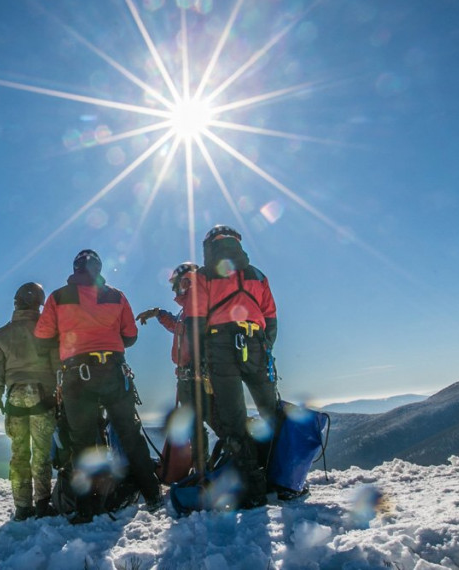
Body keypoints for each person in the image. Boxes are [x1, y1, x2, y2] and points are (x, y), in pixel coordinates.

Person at [35, 249, 163, 524]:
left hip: (76, 375)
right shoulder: (116, 295)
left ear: (76, 267)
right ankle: (153, 494)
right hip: (113, 372)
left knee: (81, 443)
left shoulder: (58, 297)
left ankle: (85, 508)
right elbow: (130, 336)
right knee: (129, 434)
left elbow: (42, 336)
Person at [185, 225, 278, 508]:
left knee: (233, 420)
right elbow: (271, 317)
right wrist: (265, 347)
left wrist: (201, 358)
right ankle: (282, 475)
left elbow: (195, 320)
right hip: (255, 342)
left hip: (220, 345)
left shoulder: (202, 276)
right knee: (270, 411)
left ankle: (253, 490)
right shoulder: (257, 275)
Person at [0, 281, 58, 521]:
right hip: (43, 396)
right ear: (39, 304)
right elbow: (57, 366)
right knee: (41, 454)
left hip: (15, 397)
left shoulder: (0, 336)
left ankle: (22, 507)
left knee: (19, 454)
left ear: (16, 302)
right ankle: (42, 504)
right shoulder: (48, 332)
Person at [136, 261, 213, 467]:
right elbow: (179, 329)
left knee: (203, 423)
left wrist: (200, 364)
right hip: (189, 376)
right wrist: (158, 313)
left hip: (197, 376)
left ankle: (205, 471)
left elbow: (199, 335)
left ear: (185, 281)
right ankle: (203, 468)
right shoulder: (187, 309)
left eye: (175, 284)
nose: (174, 289)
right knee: (197, 424)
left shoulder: (197, 303)